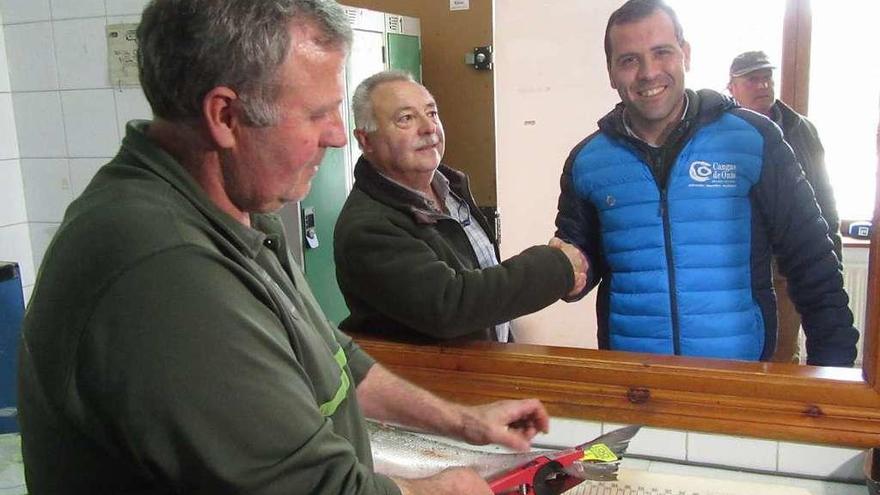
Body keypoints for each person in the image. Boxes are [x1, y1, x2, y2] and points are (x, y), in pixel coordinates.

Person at [17, 1, 551, 494]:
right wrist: (444, 488)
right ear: (225, 116)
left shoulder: (239, 215)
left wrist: (462, 420)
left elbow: (337, 362)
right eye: (317, 114)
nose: (339, 137)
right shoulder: (164, 266)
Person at [554, 0, 858, 366]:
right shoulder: (588, 160)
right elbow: (579, 260)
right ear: (611, 72)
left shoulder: (753, 139)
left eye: (661, 52)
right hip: (634, 380)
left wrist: (833, 366)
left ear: (685, 54)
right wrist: (559, 273)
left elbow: (813, 260)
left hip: (738, 378)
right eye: (629, 59)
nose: (648, 72)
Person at [333, 70, 587, 344]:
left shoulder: (450, 188)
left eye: (431, 113)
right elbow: (450, 304)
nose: (429, 128)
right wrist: (555, 268)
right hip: (425, 382)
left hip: (481, 367)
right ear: (365, 140)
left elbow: (482, 278)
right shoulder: (367, 228)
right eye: (406, 118)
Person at [727, 50, 842, 363]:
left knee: (782, 354)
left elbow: (823, 196)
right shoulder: (719, 133)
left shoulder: (801, 130)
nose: (763, 84)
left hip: (787, 263)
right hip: (737, 265)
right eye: (752, 78)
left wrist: (832, 254)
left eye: (767, 77)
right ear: (732, 87)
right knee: (739, 353)